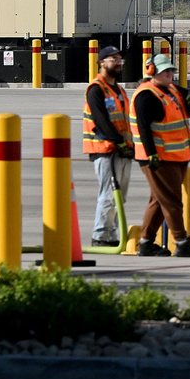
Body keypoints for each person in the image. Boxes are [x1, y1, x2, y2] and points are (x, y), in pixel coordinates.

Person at [130, 53, 190, 257]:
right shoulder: (146, 96)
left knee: (159, 199)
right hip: (158, 158)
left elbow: (189, 94)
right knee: (172, 200)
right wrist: (152, 154)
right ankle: (181, 242)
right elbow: (143, 128)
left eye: (171, 71)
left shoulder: (170, 90)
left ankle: (145, 242)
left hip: (177, 156)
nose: (170, 75)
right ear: (151, 72)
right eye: (165, 71)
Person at [81, 45, 132, 247]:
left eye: (120, 59)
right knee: (109, 195)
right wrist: (117, 141)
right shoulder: (96, 89)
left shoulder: (119, 90)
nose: (118, 62)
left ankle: (112, 234)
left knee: (120, 197)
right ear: (102, 62)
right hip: (105, 150)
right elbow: (100, 120)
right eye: (113, 59)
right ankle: (100, 235)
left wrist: (128, 145)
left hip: (123, 150)